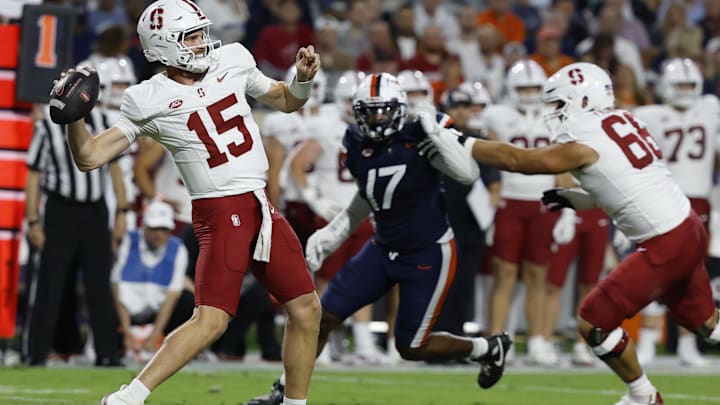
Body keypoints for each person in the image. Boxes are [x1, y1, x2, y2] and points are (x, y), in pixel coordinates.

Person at [56, 0, 322, 403]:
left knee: (306, 307)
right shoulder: (148, 97)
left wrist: (301, 80)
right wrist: (73, 115)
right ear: (163, 46)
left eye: (201, 32)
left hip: (260, 205)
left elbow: (287, 99)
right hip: (220, 210)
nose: (202, 43)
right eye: (191, 36)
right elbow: (89, 156)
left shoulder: (232, 59)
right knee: (212, 320)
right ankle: (127, 397)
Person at [459, 61, 720, 405]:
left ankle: (642, 396)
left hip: (664, 241)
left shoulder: (584, 140)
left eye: (559, 103)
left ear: (582, 99)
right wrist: (583, 200)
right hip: (686, 226)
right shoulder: (626, 119)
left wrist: (461, 141)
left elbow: (519, 161)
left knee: (593, 323)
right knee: (709, 326)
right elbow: (623, 180)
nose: (553, 112)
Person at [245, 73, 512, 405]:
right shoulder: (356, 142)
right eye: (370, 111)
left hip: (427, 252)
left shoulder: (421, 132)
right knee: (322, 315)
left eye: (385, 111)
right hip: (383, 247)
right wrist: (334, 233)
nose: (378, 118)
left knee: (411, 347)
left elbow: (467, 174)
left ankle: (486, 347)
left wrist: (437, 135)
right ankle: (285, 392)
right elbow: (370, 196)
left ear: (399, 110)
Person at [288, 70, 386, 365]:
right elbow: (297, 165)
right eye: (347, 101)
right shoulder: (326, 127)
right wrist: (315, 200)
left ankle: (364, 344)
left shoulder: (375, 128)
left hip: (364, 214)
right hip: (334, 216)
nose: (351, 107)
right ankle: (320, 344)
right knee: (326, 281)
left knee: (364, 280)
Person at [24, 100, 127, 367]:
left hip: (95, 211)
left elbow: (115, 168)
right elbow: (34, 174)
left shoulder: (103, 121)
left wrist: (122, 212)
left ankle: (107, 353)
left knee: (99, 284)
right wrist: (33, 220)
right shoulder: (47, 126)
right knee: (50, 283)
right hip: (61, 210)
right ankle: (36, 352)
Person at [632, 57, 719, 367]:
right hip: (663, 197)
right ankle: (647, 341)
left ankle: (686, 343)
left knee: (693, 274)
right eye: (679, 84)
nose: (684, 90)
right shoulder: (650, 116)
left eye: (688, 84)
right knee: (656, 270)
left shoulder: (709, 110)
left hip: (699, 200)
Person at [482, 59, 563, 366]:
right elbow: (487, 159)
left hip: (542, 202)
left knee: (537, 276)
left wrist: (566, 208)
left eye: (533, 88)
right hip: (510, 202)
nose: (529, 94)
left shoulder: (555, 116)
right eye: (523, 88)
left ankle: (539, 340)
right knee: (503, 275)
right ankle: (497, 340)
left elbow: (562, 162)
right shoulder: (497, 116)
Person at [111, 201, 194, 362]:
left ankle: (175, 348)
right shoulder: (129, 242)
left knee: (187, 299)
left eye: (164, 230)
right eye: (154, 228)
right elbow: (117, 288)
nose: (159, 234)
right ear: (145, 227)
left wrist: (155, 334)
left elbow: (172, 296)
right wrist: (127, 333)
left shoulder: (178, 249)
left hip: (157, 312)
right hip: (128, 312)